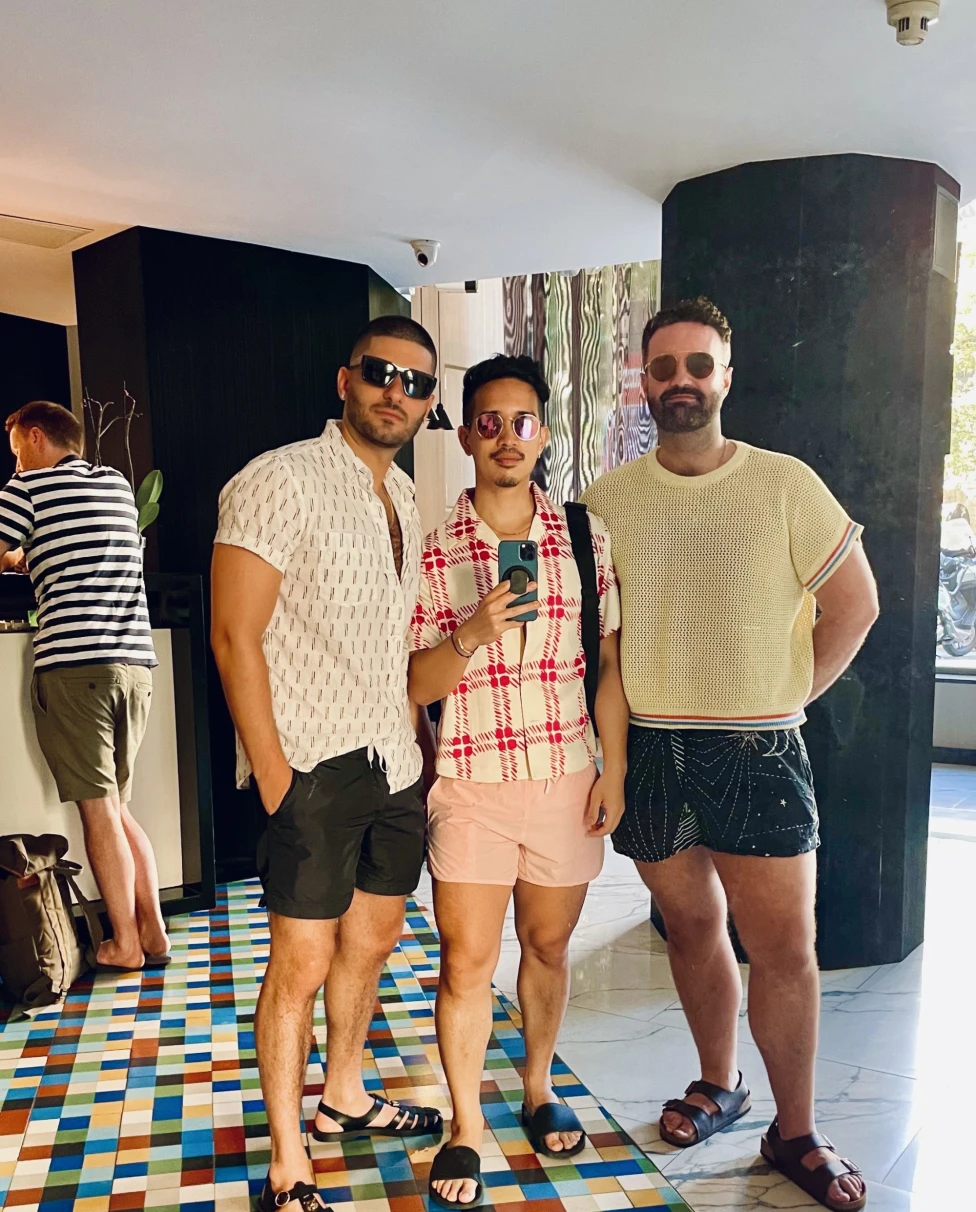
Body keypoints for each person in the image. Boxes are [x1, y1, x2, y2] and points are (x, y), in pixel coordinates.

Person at [581, 297, 878, 1212]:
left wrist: (786, 698)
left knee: (785, 949)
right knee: (691, 927)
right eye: (664, 367)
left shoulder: (785, 483)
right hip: (652, 748)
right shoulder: (607, 500)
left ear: (726, 376)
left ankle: (797, 1130)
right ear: (644, 380)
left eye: (698, 365)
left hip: (760, 747)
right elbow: (600, 641)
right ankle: (720, 1083)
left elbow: (856, 604)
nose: (681, 381)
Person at [211, 316, 445, 1212]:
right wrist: (275, 774)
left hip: (393, 762)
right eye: (382, 373)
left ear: (427, 403)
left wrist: (417, 746)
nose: (397, 392)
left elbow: (395, 641)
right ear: (346, 380)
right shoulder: (278, 479)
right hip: (312, 763)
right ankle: (287, 1162)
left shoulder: (406, 497)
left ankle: (343, 1096)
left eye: (417, 383)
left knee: (373, 941)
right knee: (300, 965)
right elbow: (234, 636)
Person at [408, 355, 629, 1209]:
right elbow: (417, 686)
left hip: (566, 777)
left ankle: (538, 1086)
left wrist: (613, 769)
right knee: (465, 962)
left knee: (547, 946)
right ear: (466, 435)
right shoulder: (433, 549)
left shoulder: (585, 537)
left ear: (543, 434)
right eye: (490, 422)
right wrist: (471, 631)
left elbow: (607, 663)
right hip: (471, 781)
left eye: (522, 421)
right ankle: (466, 1124)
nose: (507, 437)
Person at [0, 400, 168, 972]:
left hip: (76, 666)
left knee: (98, 813)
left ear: (36, 436)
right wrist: (32, 557)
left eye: (17, 451)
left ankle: (125, 944)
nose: (16, 464)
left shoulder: (28, 488)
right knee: (119, 807)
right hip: (134, 667)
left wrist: (15, 559)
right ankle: (154, 933)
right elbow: (79, 550)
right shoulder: (115, 486)